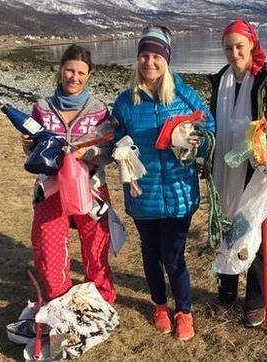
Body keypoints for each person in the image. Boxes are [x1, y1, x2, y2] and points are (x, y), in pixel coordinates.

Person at [112, 25, 215, 341]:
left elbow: (211, 133)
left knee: (173, 256)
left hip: (179, 194)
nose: (150, 62)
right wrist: (117, 149)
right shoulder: (126, 101)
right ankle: (159, 305)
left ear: (166, 60)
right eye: (144, 55)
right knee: (151, 254)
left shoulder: (185, 95)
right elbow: (113, 137)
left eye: (156, 56)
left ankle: (184, 311)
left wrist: (198, 141)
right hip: (143, 194)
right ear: (138, 59)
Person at [209, 18, 267, 328]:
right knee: (225, 230)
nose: (234, 53)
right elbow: (212, 125)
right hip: (224, 169)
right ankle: (227, 292)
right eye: (228, 48)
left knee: (256, 236)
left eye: (239, 46)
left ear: (251, 45)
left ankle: (256, 300)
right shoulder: (220, 80)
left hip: (257, 174)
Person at [23, 44, 116, 305]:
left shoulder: (99, 110)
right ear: (60, 70)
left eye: (81, 73)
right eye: (69, 70)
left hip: (91, 187)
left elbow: (107, 151)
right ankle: (58, 300)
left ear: (89, 76)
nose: (74, 77)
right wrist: (29, 144)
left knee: (96, 247)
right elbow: (32, 151)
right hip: (51, 188)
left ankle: (101, 300)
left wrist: (84, 155)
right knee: (49, 248)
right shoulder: (41, 107)